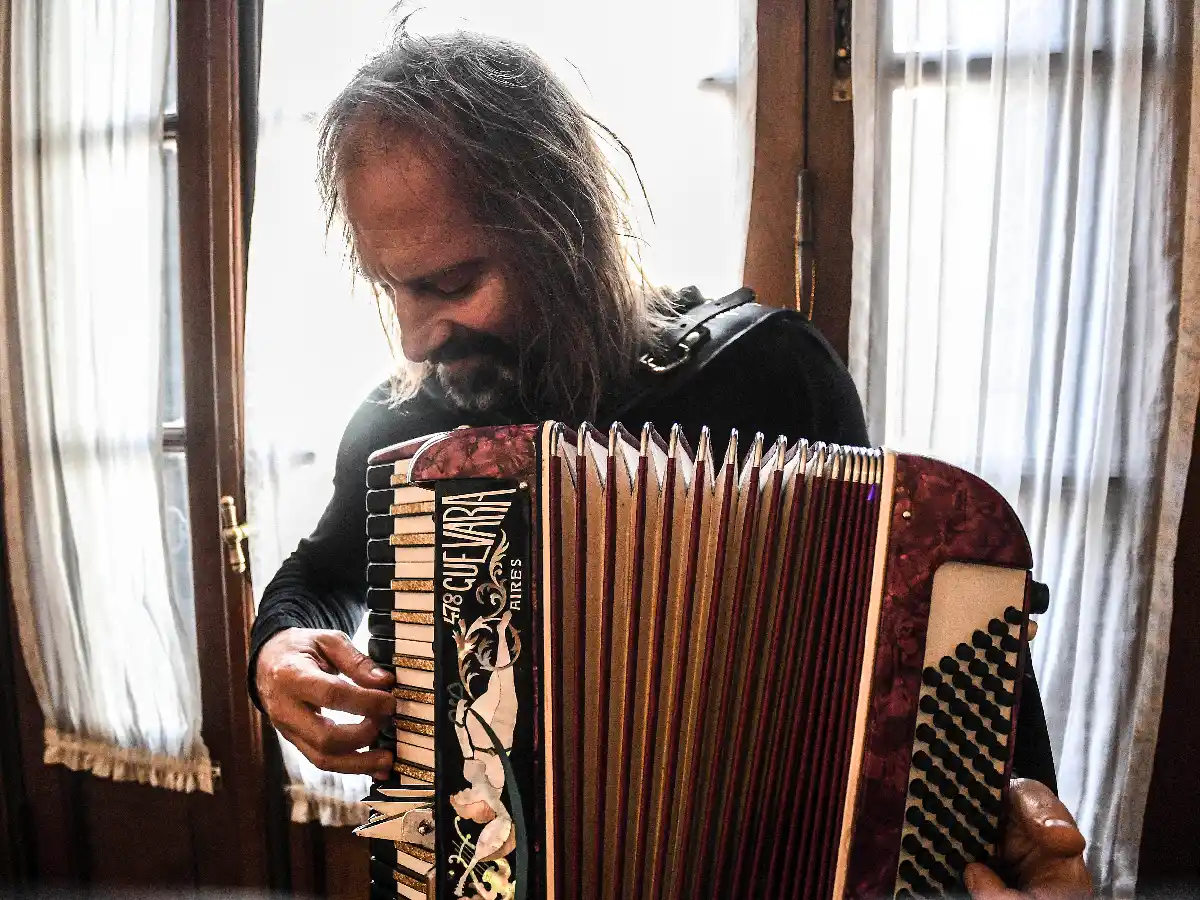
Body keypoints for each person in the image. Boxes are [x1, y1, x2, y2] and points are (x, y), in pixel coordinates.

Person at [249, 28, 1092, 899]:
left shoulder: (767, 375)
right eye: (389, 285)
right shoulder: (407, 421)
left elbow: (910, 634)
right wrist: (277, 653)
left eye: (450, 283)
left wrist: (1014, 832)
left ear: (560, 227)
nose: (415, 335)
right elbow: (320, 573)